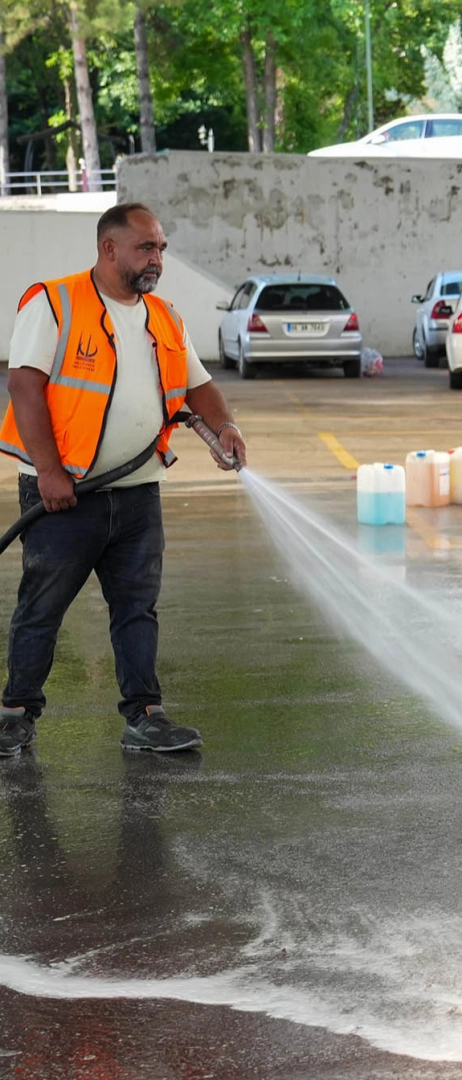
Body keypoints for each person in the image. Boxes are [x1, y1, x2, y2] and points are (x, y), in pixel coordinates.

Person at [0, 203, 248, 756]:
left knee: (137, 607)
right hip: (65, 494)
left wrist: (225, 426)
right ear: (109, 249)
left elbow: (199, 385)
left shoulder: (164, 316)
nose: (157, 258)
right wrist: (49, 473)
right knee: (42, 606)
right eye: (146, 248)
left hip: (138, 494)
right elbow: (23, 386)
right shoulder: (55, 303)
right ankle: (14, 713)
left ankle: (145, 715)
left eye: (161, 248)